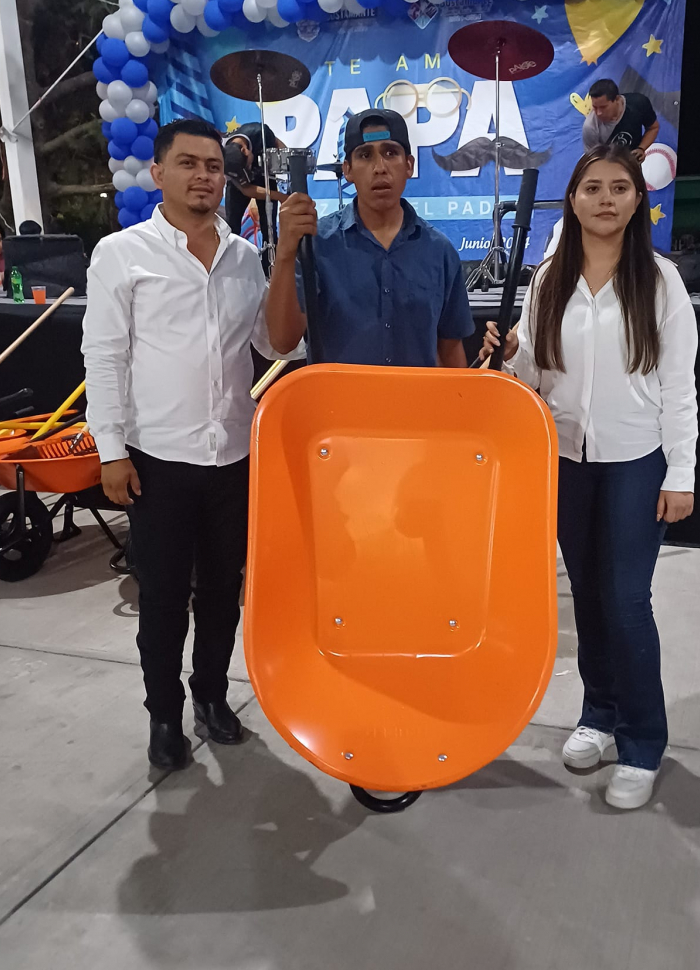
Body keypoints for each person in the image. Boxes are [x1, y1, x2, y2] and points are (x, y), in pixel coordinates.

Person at [481, 144, 697, 811]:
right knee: (590, 598)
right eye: (593, 188)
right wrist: (508, 355)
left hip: (637, 462)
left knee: (628, 601)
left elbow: (679, 387)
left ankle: (642, 742)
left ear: (637, 200)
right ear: (572, 201)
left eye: (619, 188)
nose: (606, 199)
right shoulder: (550, 279)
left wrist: (682, 472)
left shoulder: (660, 282)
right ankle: (598, 715)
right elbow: (534, 376)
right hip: (566, 462)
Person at [82, 118, 290, 772]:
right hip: (157, 461)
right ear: (158, 173)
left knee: (223, 593)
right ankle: (164, 716)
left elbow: (274, 343)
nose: (204, 175)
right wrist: (111, 449)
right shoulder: (122, 253)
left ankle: (211, 696)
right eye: (189, 163)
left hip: (233, 457)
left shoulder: (244, 257)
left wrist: (290, 266)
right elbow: (104, 357)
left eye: (214, 166)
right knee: (164, 599)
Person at [266, 109, 473, 367]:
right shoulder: (317, 243)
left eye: (391, 153)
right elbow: (282, 342)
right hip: (336, 395)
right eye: (365, 155)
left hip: (417, 395)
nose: (380, 168)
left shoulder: (439, 251)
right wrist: (285, 252)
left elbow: (451, 350)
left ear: (409, 165)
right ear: (348, 170)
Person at [223, 123, 286, 275]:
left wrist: (285, 162)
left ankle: (269, 270)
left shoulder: (260, 133)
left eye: (247, 165)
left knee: (269, 227)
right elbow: (247, 189)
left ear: (245, 149)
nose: (248, 170)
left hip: (265, 176)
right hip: (239, 187)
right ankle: (231, 268)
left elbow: (281, 148)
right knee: (231, 227)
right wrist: (280, 196)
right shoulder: (224, 156)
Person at [582, 79, 659, 162]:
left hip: (633, 164)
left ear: (617, 99)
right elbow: (593, 160)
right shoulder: (590, 127)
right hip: (607, 165)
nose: (598, 113)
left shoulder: (639, 104)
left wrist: (641, 148)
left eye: (603, 107)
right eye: (595, 107)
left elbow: (653, 128)